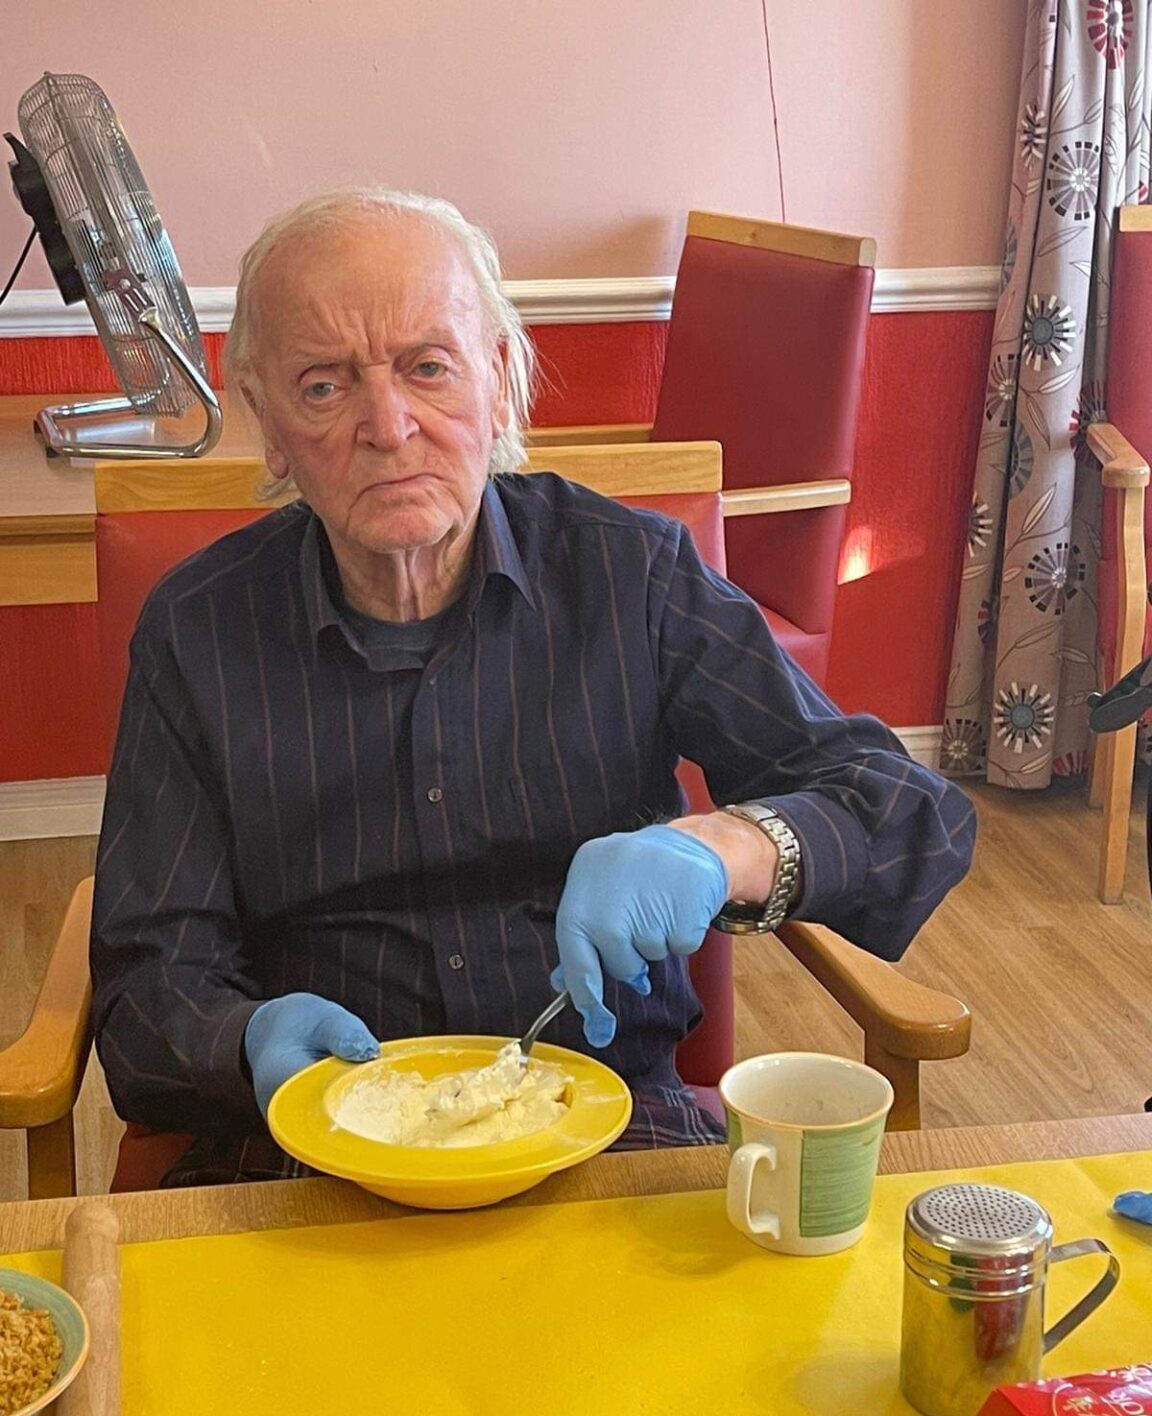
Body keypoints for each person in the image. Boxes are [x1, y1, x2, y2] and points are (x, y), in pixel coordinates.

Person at [91, 188, 976, 1186]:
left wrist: (721, 848)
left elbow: (910, 812)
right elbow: (146, 986)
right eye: (324, 386)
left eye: (429, 367)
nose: (388, 426)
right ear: (269, 424)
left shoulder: (632, 575)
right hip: (306, 1142)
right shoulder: (198, 629)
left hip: (605, 1127)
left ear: (503, 378)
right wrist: (242, 1038)